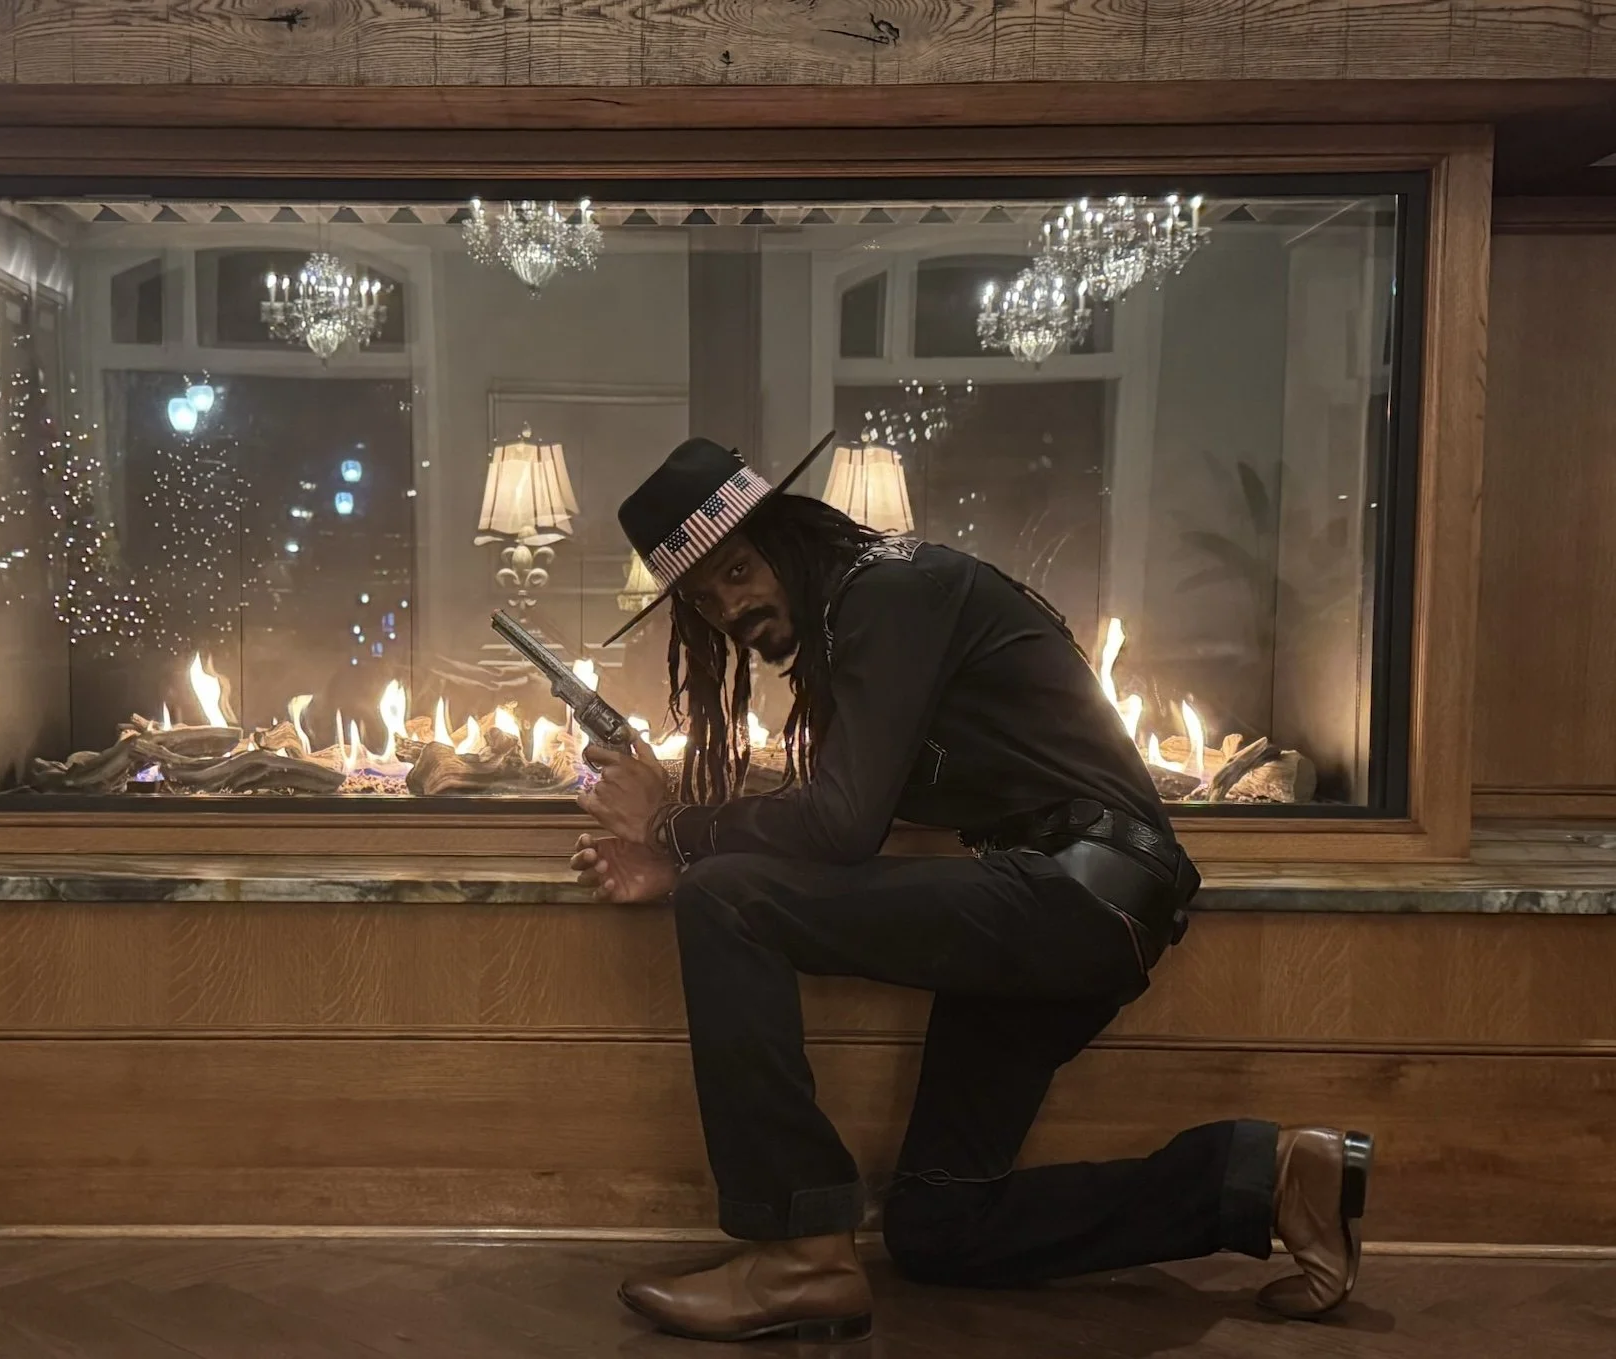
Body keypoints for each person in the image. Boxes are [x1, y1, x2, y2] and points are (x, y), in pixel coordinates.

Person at [570, 435, 1373, 1344]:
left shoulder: (886, 591)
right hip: (1059, 903)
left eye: (741, 568)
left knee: (724, 900)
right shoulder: (866, 609)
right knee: (940, 1228)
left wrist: (675, 831)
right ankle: (1268, 1177)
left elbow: (839, 828)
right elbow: (835, 811)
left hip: (1076, 895)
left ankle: (798, 1250)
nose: (733, 607)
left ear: (787, 530)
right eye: (706, 597)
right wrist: (691, 842)